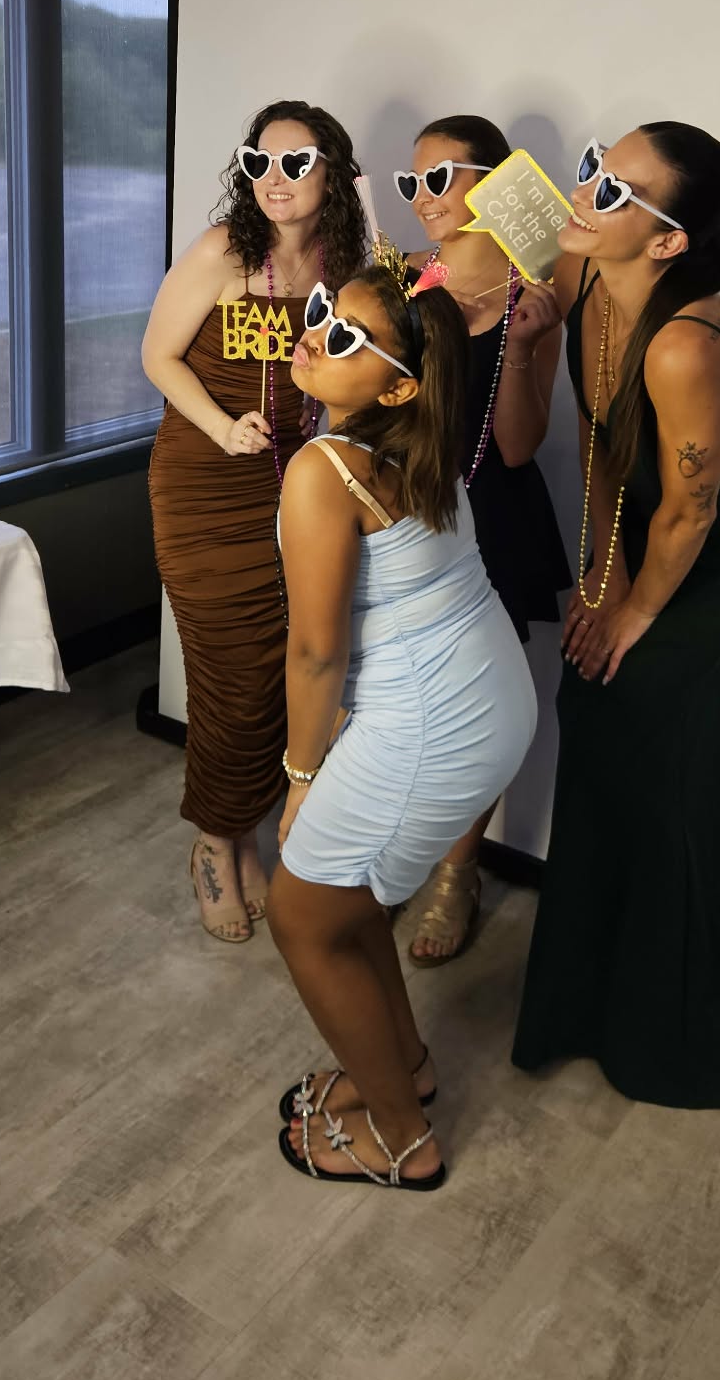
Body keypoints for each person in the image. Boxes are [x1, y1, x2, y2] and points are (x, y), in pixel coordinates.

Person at [512, 124, 720, 1108]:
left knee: (643, 729)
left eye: (614, 188)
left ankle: (676, 1036)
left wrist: (630, 611)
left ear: (669, 239)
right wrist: (599, 577)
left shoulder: (687, 344)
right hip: (647, 524)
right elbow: (601, 446)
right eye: (593, 163)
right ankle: (586, 999)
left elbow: (693, 506)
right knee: (597, 716)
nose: (583, 191)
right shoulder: (589, 273)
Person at [268, 257, 537, 1187]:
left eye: (343, 336)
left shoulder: (322, 469)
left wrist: (301, 781)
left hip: (436, 716)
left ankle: (400, 1139)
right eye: (317, 314)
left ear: (397, 382)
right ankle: (406, 1071)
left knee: (301, 916)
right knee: (349, 905)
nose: (310, 335)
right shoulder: (416, 443)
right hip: (487, 694)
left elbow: (315, 656)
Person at [143, 101, 368, 943]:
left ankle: (240, 829)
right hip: (205, 486)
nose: (274, 179)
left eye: (297, 162)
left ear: (334, 173)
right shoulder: (221, 253)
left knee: (288, 669)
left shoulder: (346, 266)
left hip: (297, 493)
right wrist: (222, 427)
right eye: (258, 162)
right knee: (228, 677)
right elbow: (156, 354)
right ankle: (214, 844)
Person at [395, 114, 574, 967]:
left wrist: (523, 344)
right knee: (400, 688)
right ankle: (398, 847)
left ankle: (457, 873)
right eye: (412, 182)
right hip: (413, 511)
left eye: (441, 178)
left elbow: (514, 445)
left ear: (494, 182)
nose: (423, 197)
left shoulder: (535, 291)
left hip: (494, 517)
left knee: (478, 706)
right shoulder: (409, 287)